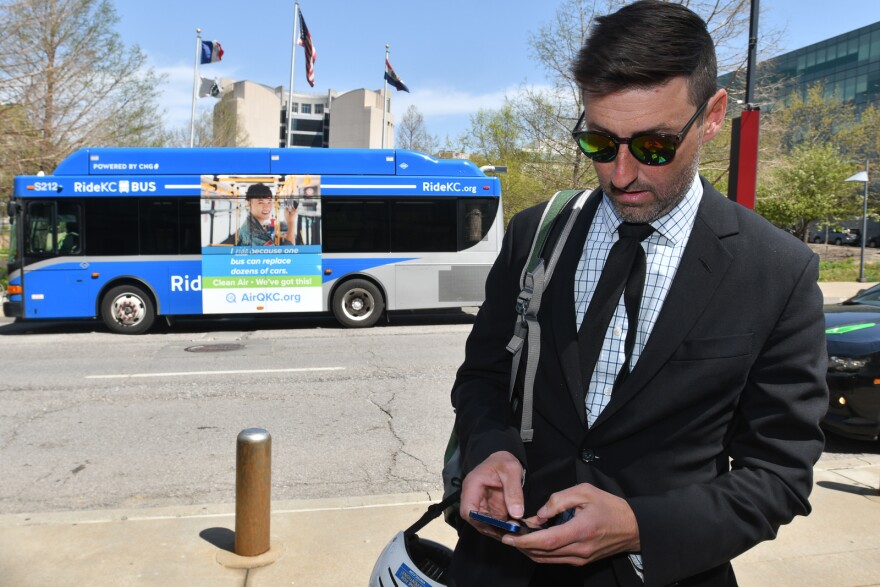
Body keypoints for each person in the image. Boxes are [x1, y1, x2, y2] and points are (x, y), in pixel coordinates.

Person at [448, 2, 828, 586]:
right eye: (600, 143)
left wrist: (642, 526)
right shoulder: (535, 235)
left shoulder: (777, 270)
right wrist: (491, 450)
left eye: (653, 147)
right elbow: (483, 379)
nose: (621, 174)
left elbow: (779, 473)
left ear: (713, 115)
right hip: (501, 569)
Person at [225, 183, 301, 246]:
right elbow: (285, 258)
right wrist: (291, 222)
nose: (267, 207)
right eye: (260, 202)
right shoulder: (254, 235)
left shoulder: (253, 226)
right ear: (248, 203)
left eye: (269, 202)